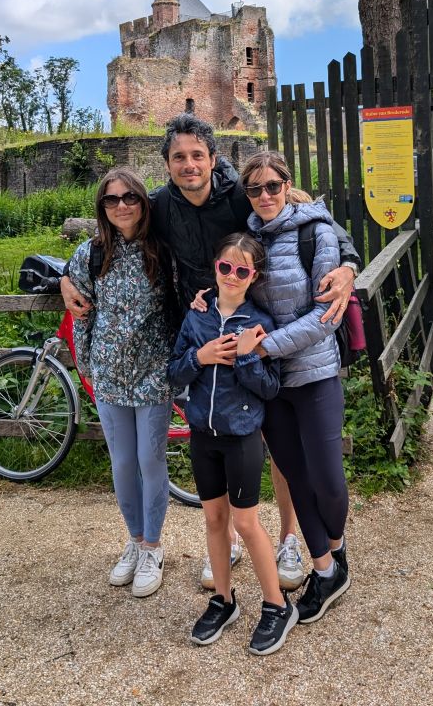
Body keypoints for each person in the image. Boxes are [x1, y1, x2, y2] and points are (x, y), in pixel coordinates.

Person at [60, 113, 361, 587]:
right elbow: (115, 228)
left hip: (254, 328)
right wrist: (64, 276)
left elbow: (305, 210)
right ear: (167, 164)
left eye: (197, 155)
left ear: (213, 159)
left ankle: (288, 539)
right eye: (179, 157)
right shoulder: (160, 204)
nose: (189, 165)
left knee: (275, 445)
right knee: (215, 435)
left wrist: (348, 262)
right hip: (200, 332)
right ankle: (227, 542)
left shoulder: (244, 194)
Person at [167, 232, 298, 656]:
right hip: (202, 435)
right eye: (225, 267)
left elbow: (270, 388)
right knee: (213, 520)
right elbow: (174, 372)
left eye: (242, 271)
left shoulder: (260, 323)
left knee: (245, 523)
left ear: (253, 276)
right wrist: (200, 357)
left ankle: (277, 605)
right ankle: (224, 600)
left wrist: (245, 356)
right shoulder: (197, 316)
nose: (232, 276)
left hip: (241, 437)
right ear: (216, 267)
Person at [239, 150, 351, 624]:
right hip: (270, 384)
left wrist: (265, 348)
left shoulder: (316, 233)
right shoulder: (248, 239)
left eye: (272, 186)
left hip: (313, 372)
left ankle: (337, 549)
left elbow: (326, 316)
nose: (264, 195)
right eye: (255, 188)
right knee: (296, 475)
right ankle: (324, 571)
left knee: (327, 478)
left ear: (287, 185)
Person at [67, 167, 178, 599]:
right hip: (109, 372)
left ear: (143, 202)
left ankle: (153, 547)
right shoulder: (91, 253)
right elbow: (81, 311)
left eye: (130, 197)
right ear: (102, 207)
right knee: (122, 462)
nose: (121, 206)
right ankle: (134, 540)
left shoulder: (162, 250)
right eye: (111, 199)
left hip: (153, 371)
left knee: (150, 459)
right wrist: (86, 364)